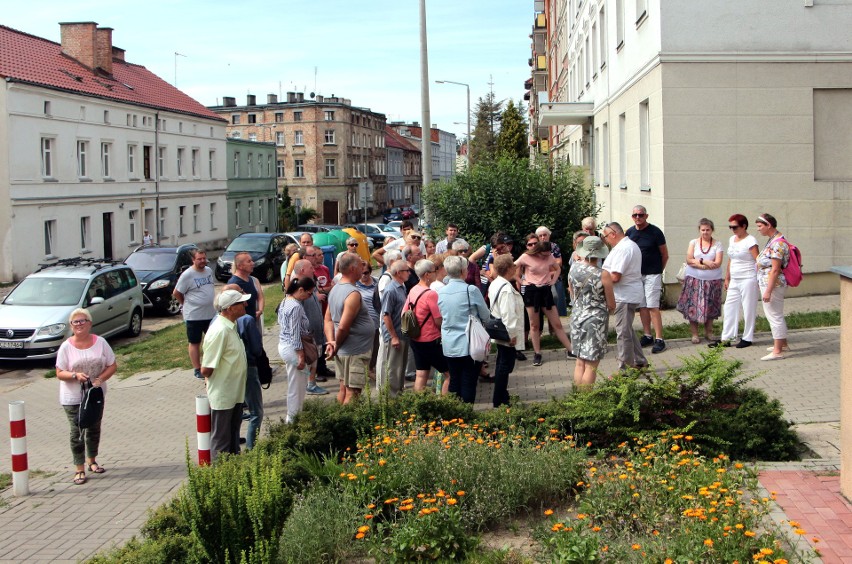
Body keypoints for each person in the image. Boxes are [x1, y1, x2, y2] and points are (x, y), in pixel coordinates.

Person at [55, 308, 116, 485]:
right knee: (77, 432)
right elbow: (59, 372)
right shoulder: (66, 346)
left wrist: (101, 378)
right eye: (76, 322)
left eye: (83, 321)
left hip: (95, 394)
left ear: (89, 323)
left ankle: (92, 460)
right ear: (71, 326)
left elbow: (112, 365)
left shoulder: (101, 342)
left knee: (94, 428)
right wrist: (75, 376)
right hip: (72, 396)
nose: (79, 324)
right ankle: (79, 468)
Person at [201, 289, 249, 460]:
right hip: (223, 394)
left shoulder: (230, 327)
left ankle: (233, 473)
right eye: (241, 302)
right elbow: (206, 368)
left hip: (233, 393)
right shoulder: (220, 330)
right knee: (221, 440)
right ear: (229, 308)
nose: (246, 304)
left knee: (233, 437)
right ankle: (220, 478)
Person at [437, 255, 490, 403]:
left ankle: (455, 415)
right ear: (462, 271)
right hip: (469, 343)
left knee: (454, 380)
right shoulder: (471, 290)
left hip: (449, 344)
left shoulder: (441, 292)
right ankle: (467, 415)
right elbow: (485, 315)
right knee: (469, 381)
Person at [514, 234, 573, 367]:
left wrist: (552, 281)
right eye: (544, 255)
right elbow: (511, 268)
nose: (546, 257)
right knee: (534, 325)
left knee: (557, 323)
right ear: (537, 251)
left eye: (548, 255)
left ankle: (571, 350)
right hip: (531, 291)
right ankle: (537, 353)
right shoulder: (526, 257)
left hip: (545, 291)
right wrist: (521, 281)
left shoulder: (549, 256)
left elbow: (557, 268)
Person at [325, 253, 376, 404]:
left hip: (344, 350)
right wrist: (336, 345)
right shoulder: (352, 294)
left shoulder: (335, 289)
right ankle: (347, 424)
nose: (363, 268)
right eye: (361, 265)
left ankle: (337, 420)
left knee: (344, 389)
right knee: (353, 393)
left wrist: (331, 342)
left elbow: (327, 319)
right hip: (354, 351)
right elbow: (343, 326)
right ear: (353, 268)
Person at [568, 236, 615, 390]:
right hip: (596, 321)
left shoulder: (573, 268)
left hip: (577, 316)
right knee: (591, 365)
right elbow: (611, 303)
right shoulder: (603, 274)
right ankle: (586, 401)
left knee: (579, 362)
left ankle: (577, 399)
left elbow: (572, 294)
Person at [601, 222, 647, 371]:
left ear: (613, 234)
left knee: (622, 332)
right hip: (624, 294)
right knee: (627, 330)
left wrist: (600, 282)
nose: (605, 240)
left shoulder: (624, 249)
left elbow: (615, 277)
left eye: (606, 236)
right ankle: (640, 360)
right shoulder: (622, 247)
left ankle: (625, 368)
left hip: (624, 295)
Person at [710, 214, 759, 349]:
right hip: (735, 279)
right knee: (729, 307)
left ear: (744, 226)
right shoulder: (732, 239)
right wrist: (727, 278)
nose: (732, 230)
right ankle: (727, 338)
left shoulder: (751, 241)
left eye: (735, 227)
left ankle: (747, 338)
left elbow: (758, 261)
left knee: (748, 308)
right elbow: (731, 259)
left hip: (748, 278)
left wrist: (761, 280)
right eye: (730, 227)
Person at [626, 205, 669, 354]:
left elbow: (665, 254)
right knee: (642, 306)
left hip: (652, 274)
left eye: (641, 215)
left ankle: (659, 338)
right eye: (635, 215)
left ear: (646, 216)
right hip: (637, 275)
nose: (638, 218)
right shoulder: (630, 232)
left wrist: (658, 270)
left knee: (652, 306)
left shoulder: (655, 232)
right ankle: (647, 335)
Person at [226, 286, 265, 450]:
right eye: (241, 297)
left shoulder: (219, 321)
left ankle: (235, 446)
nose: (245, 303)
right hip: (248, 368)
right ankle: (252, 448)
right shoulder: (247, 320)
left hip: (231, 373)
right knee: (256, 412)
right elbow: (257, 349)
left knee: (236, 413)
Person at [676, 219, 724, 343]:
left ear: (712, 230)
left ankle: (709, 332)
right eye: (703, 230)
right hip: (694, 280)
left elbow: (717, 263)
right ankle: (695, 334)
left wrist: (697, 262)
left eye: (708, 230)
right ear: (699, 230)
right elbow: (689, 259)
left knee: (710, 307)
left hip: (712, 281)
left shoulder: (717, 244)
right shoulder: (693, 242)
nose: (705, 232)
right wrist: (704, 262)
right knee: (693, 307)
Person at [406, 259, 449, 393]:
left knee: (421, 374)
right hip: (430, 340)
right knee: (450, 374)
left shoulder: (414, 290)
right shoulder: (431, 294)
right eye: (433, 271)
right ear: (426, 275)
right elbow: (438, 320)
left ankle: (420, 406)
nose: (435, 273)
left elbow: (405, 312)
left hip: (416, 339)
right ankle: (445, 407)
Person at [277, 277, 317, 422]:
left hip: (284, 345)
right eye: (309, 293)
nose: (309, 296)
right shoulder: (295, 306)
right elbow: (295, 333)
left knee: (298, 383)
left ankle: (295, 415)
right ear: (301, 290)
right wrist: (300, 356)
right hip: (292, 349)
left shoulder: (285, 301)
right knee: (297, 386)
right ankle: (293, 419)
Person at [487, 254, 524, 407]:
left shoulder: (496, 283)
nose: (516, 268)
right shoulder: (506, 289)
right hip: (506, 332)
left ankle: (502, 395)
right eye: (514, 266)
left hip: (499, 330)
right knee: (505, 366)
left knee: (502, 362)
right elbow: (508, 313)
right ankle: (500, 399)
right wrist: (512, 335)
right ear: (509, 268)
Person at [172, 249, 216, 379]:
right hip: (194, 315)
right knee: (195, 342)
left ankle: (210, 365)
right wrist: (185, 304)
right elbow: (176, 292)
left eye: (204, 258)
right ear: (193, 260)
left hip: (210, 313)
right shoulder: (188, 275)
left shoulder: (208, 271)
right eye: (199, 259)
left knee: (212, 341)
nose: (202, 261)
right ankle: (197, 368)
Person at [290, 259, 330, 395]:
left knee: (315, 357)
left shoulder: (309, 283)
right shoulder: (297, 287)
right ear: (302, 270)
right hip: (307, 333)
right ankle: (310, 385)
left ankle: (311, 383)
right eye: (310, 268)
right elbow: (297, 311)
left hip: (315, 329)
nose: (313, 270)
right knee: (312, 358)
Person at [755, 213, 791, 361]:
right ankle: (782, 344)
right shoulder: (773, 240)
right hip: (769, 282)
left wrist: (768, 291)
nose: (758, 229)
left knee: (774, 316)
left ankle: (777, 351)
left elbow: (775, 269)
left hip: (773, 284)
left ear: (768, 225)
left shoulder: (778, 243)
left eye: (759, 226)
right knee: (776, 314)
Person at [379, 260, 411, 396]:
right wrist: (394, 337)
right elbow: (386, 315)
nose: (409, 273)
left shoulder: (401, 287)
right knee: (392, 369)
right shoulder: (391, 290)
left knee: (400, 368)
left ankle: (398, 394)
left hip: (402, 334)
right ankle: (390, 398)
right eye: (406, 270)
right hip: (395, 336)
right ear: (398, 273)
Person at [355, 260, 382, 381]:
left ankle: (370, 369)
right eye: (361, 273)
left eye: (366, 272)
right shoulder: (354, 285)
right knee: (363, 348)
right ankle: (363, 370)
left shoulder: (377, 282)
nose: (363, 275)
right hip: (362, 323)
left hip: (376, 322)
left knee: (375, 347)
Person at [228, 252, 264, 335]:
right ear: (240, 266)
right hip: (242, 325)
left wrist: (260, 310)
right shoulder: (234, 283)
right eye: (249, 261)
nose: (252, 263)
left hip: (254, 320)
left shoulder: (253, 280)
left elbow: (260, 297)